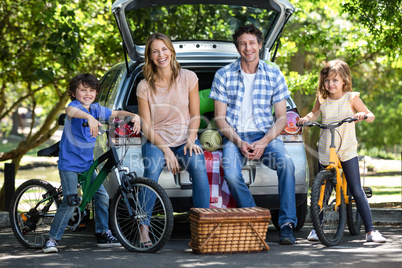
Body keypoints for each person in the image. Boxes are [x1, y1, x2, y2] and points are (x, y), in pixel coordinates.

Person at [209, 24, 297, 245]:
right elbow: (220, 118)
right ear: (237, 48)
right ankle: (255, 216)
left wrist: (264, 142)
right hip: (235, 135)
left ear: (259, 45)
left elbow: (281, 117)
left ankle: (286, 224)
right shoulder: (223, 75)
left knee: (287, 164)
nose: (247, 48)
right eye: (242, 44)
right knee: (230, 174)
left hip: (265, 134)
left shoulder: (274, 73)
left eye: (251, 43)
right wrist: (238, 142)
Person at [43, 73, 141, 253]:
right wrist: (88, 118)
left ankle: (103, 232)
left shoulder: (96, 109)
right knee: (70, 201)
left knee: (102, 196)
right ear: (73, 92)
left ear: (96, 93)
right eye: (82, 90)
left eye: (91, 90)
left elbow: (116, 113)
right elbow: (70, 111)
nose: (87, 94)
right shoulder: (75, 107)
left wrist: (134, 115)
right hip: (70, 163)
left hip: (87, 163)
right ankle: (52, 239)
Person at [298, 59, 386, 243]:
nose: (330, 84)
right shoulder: (322, 98)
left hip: (346, 148)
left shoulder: (351, 98)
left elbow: (371, 115)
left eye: (335, 80)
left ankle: (370, 231)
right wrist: (306, 118)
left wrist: (362, 115)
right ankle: (317, 229)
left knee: (355, 188)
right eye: (327, 81)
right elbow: (315, 113)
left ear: (344, 81)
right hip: (326, 147)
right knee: (323, 189)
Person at [137, 33, 210, 246]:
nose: (161, 55)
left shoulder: (188, 77)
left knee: (198, 167)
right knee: (150, 173)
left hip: (185, 139)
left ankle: (201, 229)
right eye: (155, 51)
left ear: (171, 51)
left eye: (164, 49)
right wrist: (167, 151)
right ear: (150, 56)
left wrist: (191, 139)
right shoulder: (144, 86)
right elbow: (146, 126)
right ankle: (144, 229)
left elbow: (195, 114)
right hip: (156, 141)